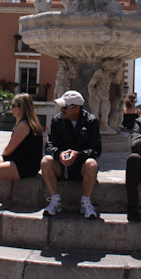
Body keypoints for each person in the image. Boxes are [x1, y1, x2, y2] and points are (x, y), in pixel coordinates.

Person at [41, 90, 101, 219]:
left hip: (81, 166)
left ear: (76, 108)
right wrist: (59, 154)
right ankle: (55, 200)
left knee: (92, 164)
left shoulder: (91, 121)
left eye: (65, 107)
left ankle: (85, 202)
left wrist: (77, 155)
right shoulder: (57, 120)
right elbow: (49, 146)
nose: (62, 109)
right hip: (61, 166)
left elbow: (96, 150)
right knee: (46, 161)